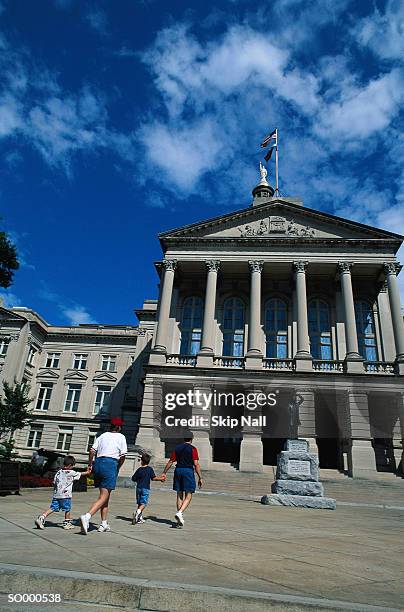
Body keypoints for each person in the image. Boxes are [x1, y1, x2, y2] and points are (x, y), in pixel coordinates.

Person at [80, 417, 127, 534]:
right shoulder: (121, 437)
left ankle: (104, 523)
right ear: (119, 427)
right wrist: (118, 467)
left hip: (98, 463)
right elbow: (123, 455)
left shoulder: (102, 435)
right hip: (110, 464)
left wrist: (90, 464)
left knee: (105, 495)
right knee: (103, 496)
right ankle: (87, 516)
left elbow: (92, 451)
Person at [35, 455, 90, 530]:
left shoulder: (58, 472)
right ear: (70, 465)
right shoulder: (71, 472)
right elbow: (80, 474)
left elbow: (54, 483)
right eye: (72, 466)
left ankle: (42, 517)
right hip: (66, 495)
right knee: (67, 509)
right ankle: (67, 523)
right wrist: (88, 471)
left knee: (53, 508)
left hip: (57, 495)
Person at [162, 433, 203, 527]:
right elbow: (196, 464)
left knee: (179, 494)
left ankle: (178, 521)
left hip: (178, 470)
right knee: (189, 495)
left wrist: (164, 472)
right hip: (188, 471)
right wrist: (200, 477)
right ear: (192, 439)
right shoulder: (193, 449)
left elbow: (171, 461)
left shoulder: (177, 448)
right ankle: (180, 513)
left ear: (183, 438)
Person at [131, 453, 166, 524]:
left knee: (139, 503)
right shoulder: (149, 469)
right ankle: (137, 513)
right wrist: (161, 479)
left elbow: (133, 478)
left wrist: (138, 479)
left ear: (141, 461)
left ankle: (139, 518)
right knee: (144, 503)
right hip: (145, 488)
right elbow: (153, 478)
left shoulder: (139, 469)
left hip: (138, 488)